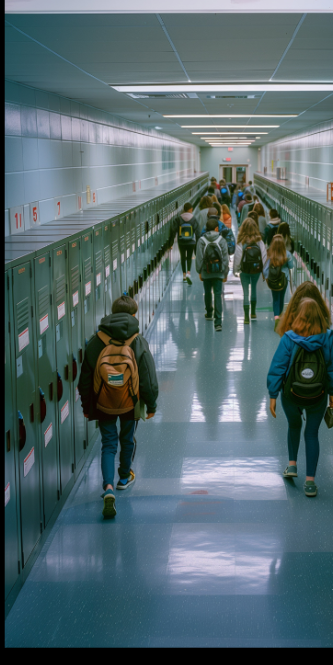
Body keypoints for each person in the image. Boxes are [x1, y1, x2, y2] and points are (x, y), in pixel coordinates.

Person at [78, 294, 159, 519]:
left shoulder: (96, 341)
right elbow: (148, 378)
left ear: (112, 314)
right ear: (134, 315)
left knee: (108, 444)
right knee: (127, 438)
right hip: (129, 403)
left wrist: (87, 406)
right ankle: (124, 477)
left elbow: (84, 379)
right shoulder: (137, 341)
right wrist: (151, 405)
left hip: (103, 403)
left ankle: (108, 488)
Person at [266, 297, 333, 497]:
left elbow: (278, 368)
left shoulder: (289, 338)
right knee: (312, 434)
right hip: (319, 395)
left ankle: (292, 465)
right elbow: (332, 369)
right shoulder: (329, 337)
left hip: (291, 395)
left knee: (294, 425)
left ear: (298, 315)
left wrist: (273, 395)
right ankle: (310, 483)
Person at [195, 207, 230, 331]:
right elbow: (225, 258)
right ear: (216, 228)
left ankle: (209, 313)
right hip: (219, 272)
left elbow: (199, 257)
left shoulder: (201, 240)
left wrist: (199, 271)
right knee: (218, 294)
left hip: (206, 271)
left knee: (207, 293)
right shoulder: (222, 240)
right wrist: (225, 273)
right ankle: (218, 322)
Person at [232, 218, 264, 325]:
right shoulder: (259, 241)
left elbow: (237, 257)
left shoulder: (241, 241)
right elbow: (264, 255)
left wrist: (236, 270)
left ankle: (246, 317)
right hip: (256, 269)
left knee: (245, 292)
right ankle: (253, 313)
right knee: (253, 288)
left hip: (244, 270)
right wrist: (264, 270)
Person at [264, 234, 295, 319]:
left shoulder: (271, 254)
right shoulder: (287, 254)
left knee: (275, 299)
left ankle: (276, 317)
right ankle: (280, 316)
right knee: (281, 298)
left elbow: (265, 270)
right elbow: (291, 266)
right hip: (283, 279)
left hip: (273, 280)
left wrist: (267, 279)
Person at [175, 201, 200, 284]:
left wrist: (170, 243)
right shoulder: (194, 218)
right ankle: (189, 272)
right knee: (189, 257)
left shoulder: (179, 218)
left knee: (183, 257)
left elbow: (174, 230)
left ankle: (184, 275)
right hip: (191, 241)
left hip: (181, 241)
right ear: (190, 209)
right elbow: (197, 232)